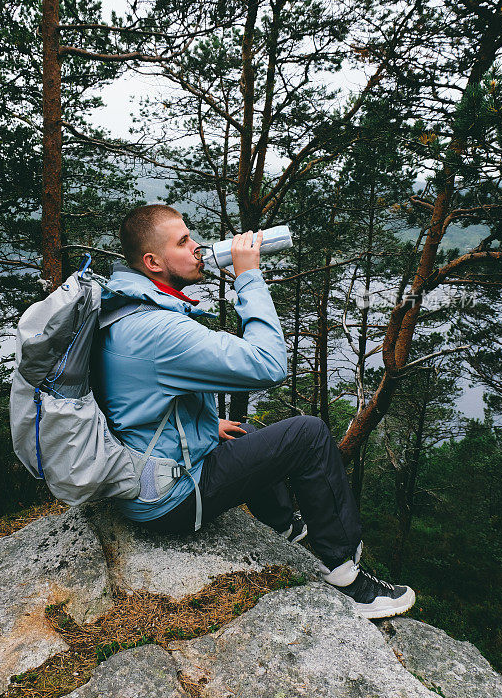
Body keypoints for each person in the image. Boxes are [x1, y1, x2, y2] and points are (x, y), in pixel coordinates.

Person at [94, 204, 415, 620]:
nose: (197, 248)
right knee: (310, 434)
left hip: (141, 476)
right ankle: (345, 577)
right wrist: (248, 276)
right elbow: (268, 363)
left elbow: (143, 400)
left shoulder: (123, 307)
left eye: (191, 237)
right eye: (183, 242)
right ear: (152, 262)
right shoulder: (157, 329)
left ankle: (283, 527)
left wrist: (209, 424)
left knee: (240, 430)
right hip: (170, 500)